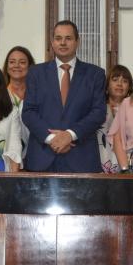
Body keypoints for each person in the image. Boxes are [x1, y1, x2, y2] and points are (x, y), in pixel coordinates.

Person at [22, 20, 108, 173]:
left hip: (81, 159)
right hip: (42, 157)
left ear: (77, 42)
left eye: (68, 38)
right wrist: (52, 139)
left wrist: (70, 135)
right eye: (58, 38)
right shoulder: (36, 73)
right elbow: (28, 113)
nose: (62, 43)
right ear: (52, 42)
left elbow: (98, 113)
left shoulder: (95, 74)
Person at [99, 64, 133, 174]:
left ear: (129, 87)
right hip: (100, 161)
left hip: (128, 163)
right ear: (107, 85)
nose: (119, 84)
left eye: (124, 81)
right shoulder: (97, 109)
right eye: (115, 80)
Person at [3, 46, 35, 158]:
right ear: (7, 67)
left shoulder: (38, 95)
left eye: (22, 62)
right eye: (12, 62)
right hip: (4, 156)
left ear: (30, 66)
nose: (16, 65)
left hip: (34, 156)